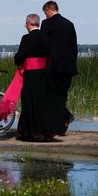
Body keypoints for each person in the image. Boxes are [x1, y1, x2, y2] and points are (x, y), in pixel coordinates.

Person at [14, 13, 67, 141]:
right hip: (44, 74)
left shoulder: (26, 38)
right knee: (43, 103)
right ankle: (45, 130)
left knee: (30, 103)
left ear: (28, 24)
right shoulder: (46, 38)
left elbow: (20, 58)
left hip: (31, 76)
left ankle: (32, 132)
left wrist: (16, 58)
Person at [40, 0, 77, 127]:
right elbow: (74, 47)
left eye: (45, 12)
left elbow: (44, 45)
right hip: (68, 66)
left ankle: (65, 116)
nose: (45, 15)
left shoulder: (46, 24)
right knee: (62, 94)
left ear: (50, 10)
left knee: (50, 93)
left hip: (53, 65)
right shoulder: (69, 24)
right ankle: (61, 122)